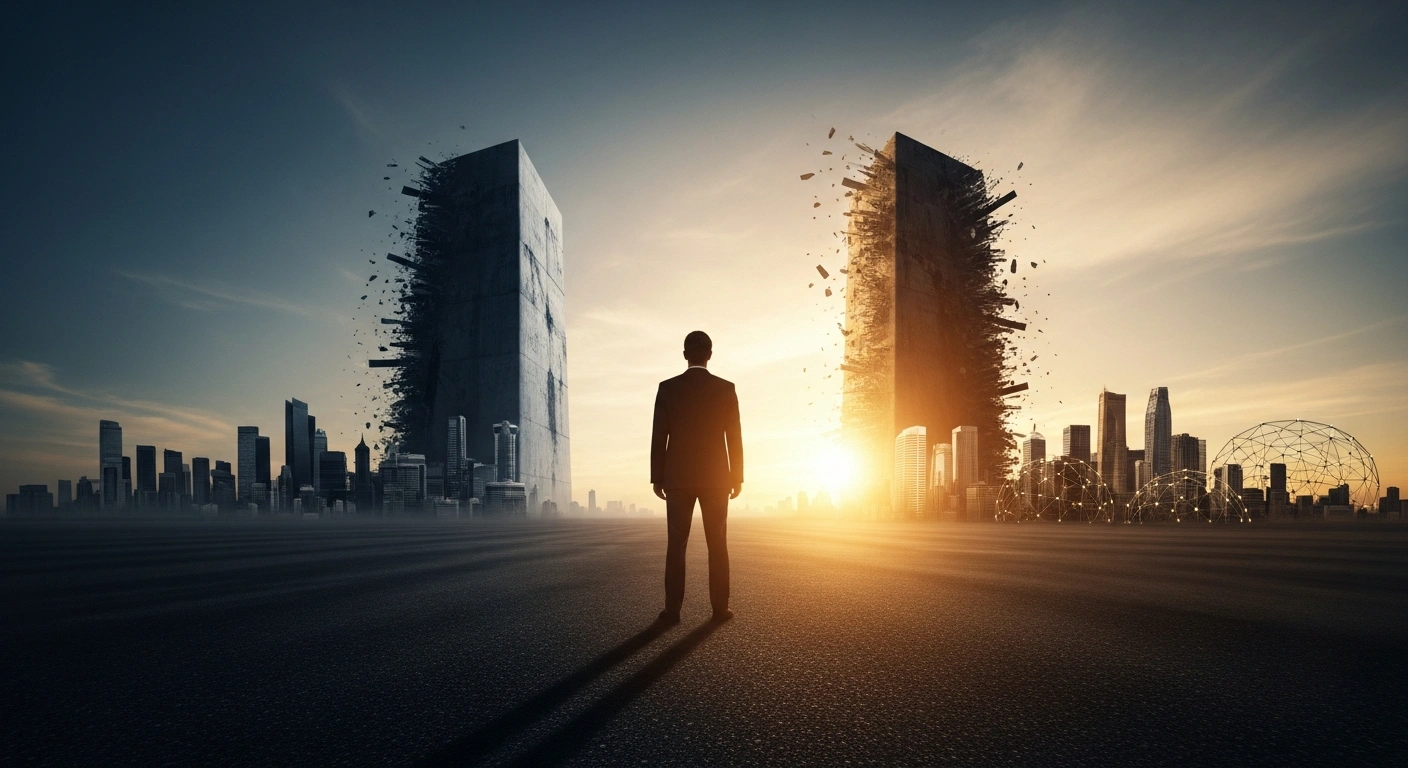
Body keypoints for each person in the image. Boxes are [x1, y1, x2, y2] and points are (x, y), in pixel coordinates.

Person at [650, 331, 742, 625]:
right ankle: (720, 608)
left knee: (676, 546)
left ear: (685, 354)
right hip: (716, 477)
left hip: (677, 478)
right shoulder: (726, 389)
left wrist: (657, 477)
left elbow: (658, 437)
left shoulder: (667, 388)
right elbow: (734, 438)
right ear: (710, 355)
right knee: (718, 544)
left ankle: (673, 611)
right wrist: (737, 476)